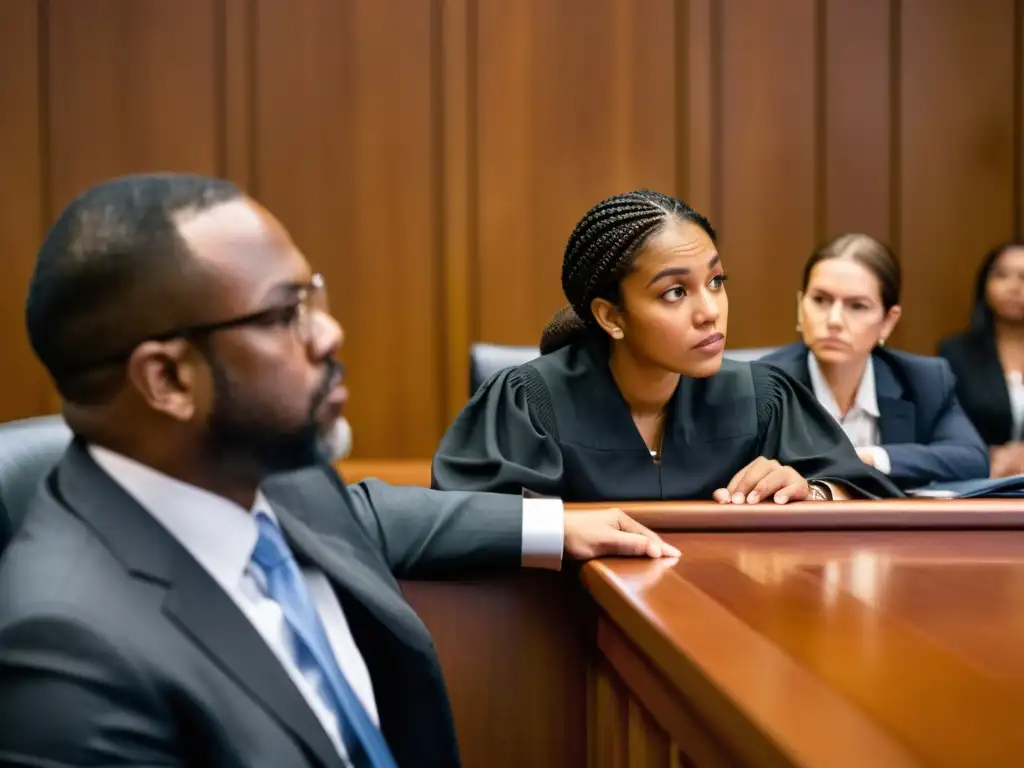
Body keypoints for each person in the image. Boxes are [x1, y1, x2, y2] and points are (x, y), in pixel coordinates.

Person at [0, 173, 679, 768]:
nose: (328, 334)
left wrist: (551, 524)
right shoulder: (70, 655)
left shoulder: (273, 479)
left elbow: (361, 515)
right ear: (169, 378)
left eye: (313, 297)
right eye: (285, 314)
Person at [432, 190, 902, 503]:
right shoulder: (528, 403)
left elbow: (867, 495)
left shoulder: (762, 399)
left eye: (716, 282)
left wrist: (813, 493)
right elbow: (466, 522)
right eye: (675, 292)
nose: (709, 311)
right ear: (611, 316)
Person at [762, 234, 988, 488]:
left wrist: (867, 460)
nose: (834, 320)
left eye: (857, 306)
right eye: (820, 300)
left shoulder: (925, 380)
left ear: (888, 321)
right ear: (800, 306)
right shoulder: (763, 384)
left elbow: (971, 458)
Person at [939, 242, 1024, 477]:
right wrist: (989, 455)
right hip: (979, 479)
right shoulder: (955, 353)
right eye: (1002, 275)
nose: (1014, 287)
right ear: (984, 284)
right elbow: (944, 430)